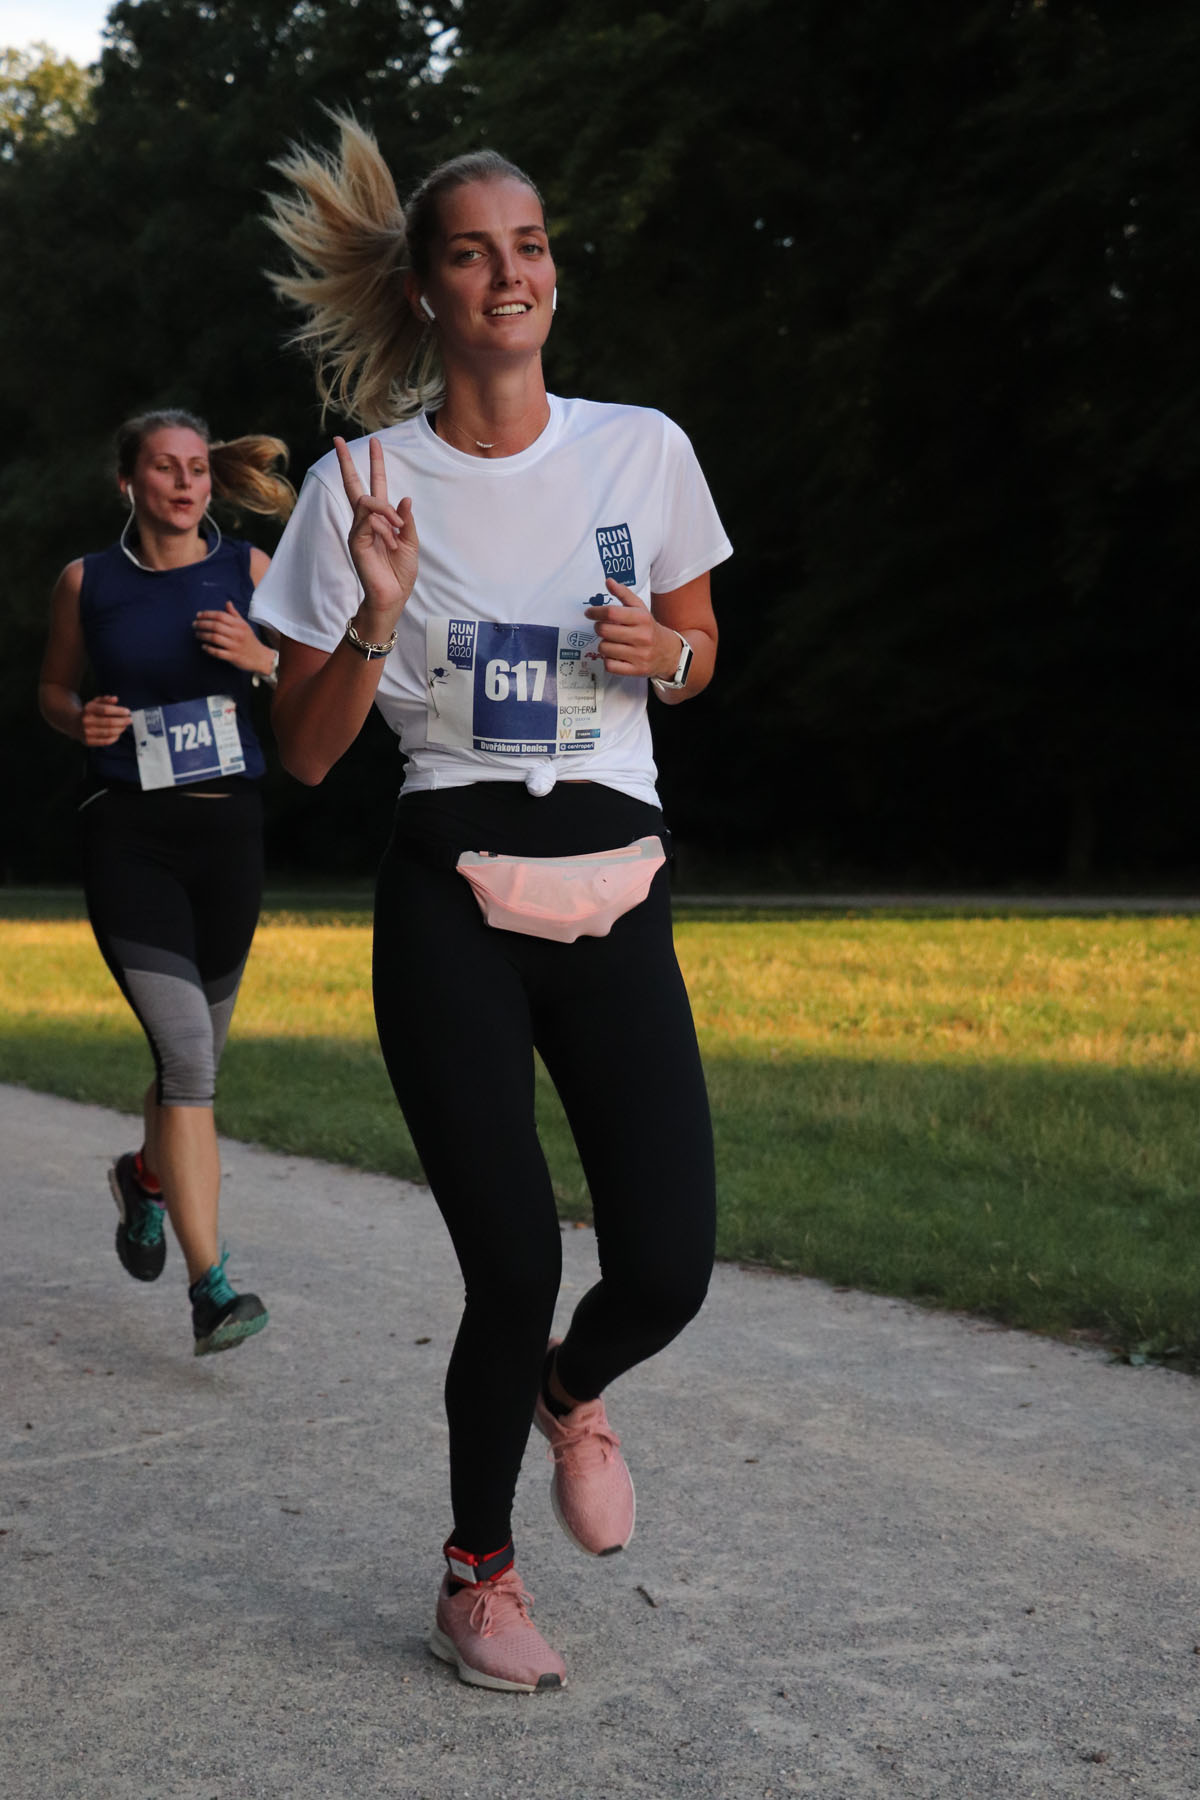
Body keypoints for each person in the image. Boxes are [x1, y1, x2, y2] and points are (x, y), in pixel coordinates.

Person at [254, 119, 732, 1691]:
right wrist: (376, 614)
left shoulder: (641, 450)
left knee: (667, 1265)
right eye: (473, 252)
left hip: (618, 885)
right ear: (427, 289)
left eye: (529, 245)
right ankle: (478, 1576)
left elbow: (698, 648)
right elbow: (305, 752)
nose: (510, 273)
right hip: (449, 895)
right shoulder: (359, 485)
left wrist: (669, 655)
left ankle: (570, 1393)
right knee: (513, 1260)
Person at [38, 409, 295, 1356]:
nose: (186, 483)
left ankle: (145, 1178)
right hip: (131, 840)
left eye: (197, 468)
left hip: (228, 840)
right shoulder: (87, 582)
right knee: (187, 1058)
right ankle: (211, 1290)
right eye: (165, 468)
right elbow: (53, 689)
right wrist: (81, 721)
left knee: (197, 1064)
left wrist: (261, 660)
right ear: (129, 483)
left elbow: (314, 680)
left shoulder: (250, 570)